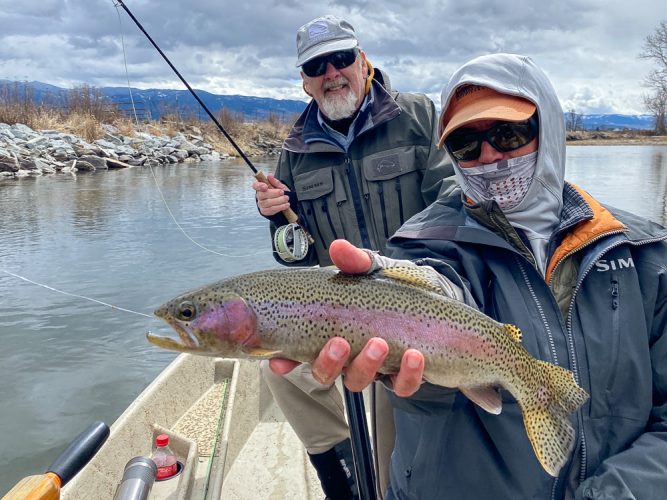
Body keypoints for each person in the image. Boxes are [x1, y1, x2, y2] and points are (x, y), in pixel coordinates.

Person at [289, 53, 667, 499]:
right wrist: (421, 296)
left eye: (509, 134)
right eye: (466, 144)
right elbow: (441, 278)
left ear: (548, 130)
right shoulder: (420, 244)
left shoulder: (646, 255)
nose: (488, 155)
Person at [251, 14, 455, 499]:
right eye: (317, 66)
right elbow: (295, 261)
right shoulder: (294, 154)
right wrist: (279, 221)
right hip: (335, 310)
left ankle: (387, 477)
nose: (332, 72)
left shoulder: (419, 116)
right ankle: (338, 471)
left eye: (341, 58)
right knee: (278, 368)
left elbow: (453, 209)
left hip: (416, 297)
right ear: (304, 81)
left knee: (394, 415)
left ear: (363, 61)